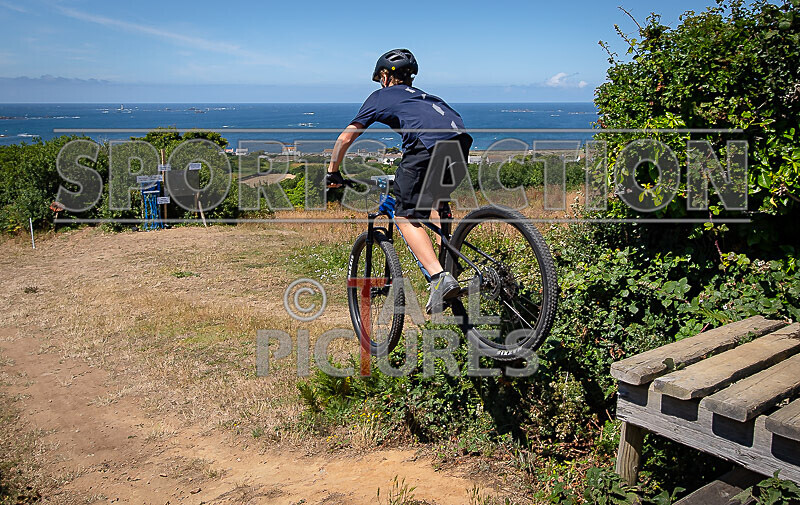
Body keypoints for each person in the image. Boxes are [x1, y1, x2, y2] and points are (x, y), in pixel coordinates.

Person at [326, 48, 473, 314]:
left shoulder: (380, 96)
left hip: (425, 145)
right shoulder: (426, 96)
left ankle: (439, 278)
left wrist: (332, 171)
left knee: (405, 215)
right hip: (459, 143)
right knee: (435, 203)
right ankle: (449, 261)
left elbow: (346, 137)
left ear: (385, 75)